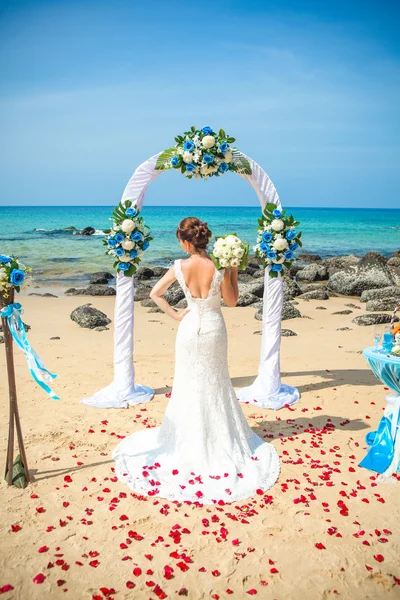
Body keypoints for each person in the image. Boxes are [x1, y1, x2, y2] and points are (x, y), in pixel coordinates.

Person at [113, 217, 279, 503]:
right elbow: (231, 302)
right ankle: (217, 437)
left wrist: (177, 315)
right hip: (214, 328)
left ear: (187, 242)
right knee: (216, 382)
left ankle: (188, 437)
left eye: (180, 240)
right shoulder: (219, 265)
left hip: (189, 329)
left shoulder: (179, 266)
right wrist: (233, 272)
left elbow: (155, 293)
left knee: (188, 383)